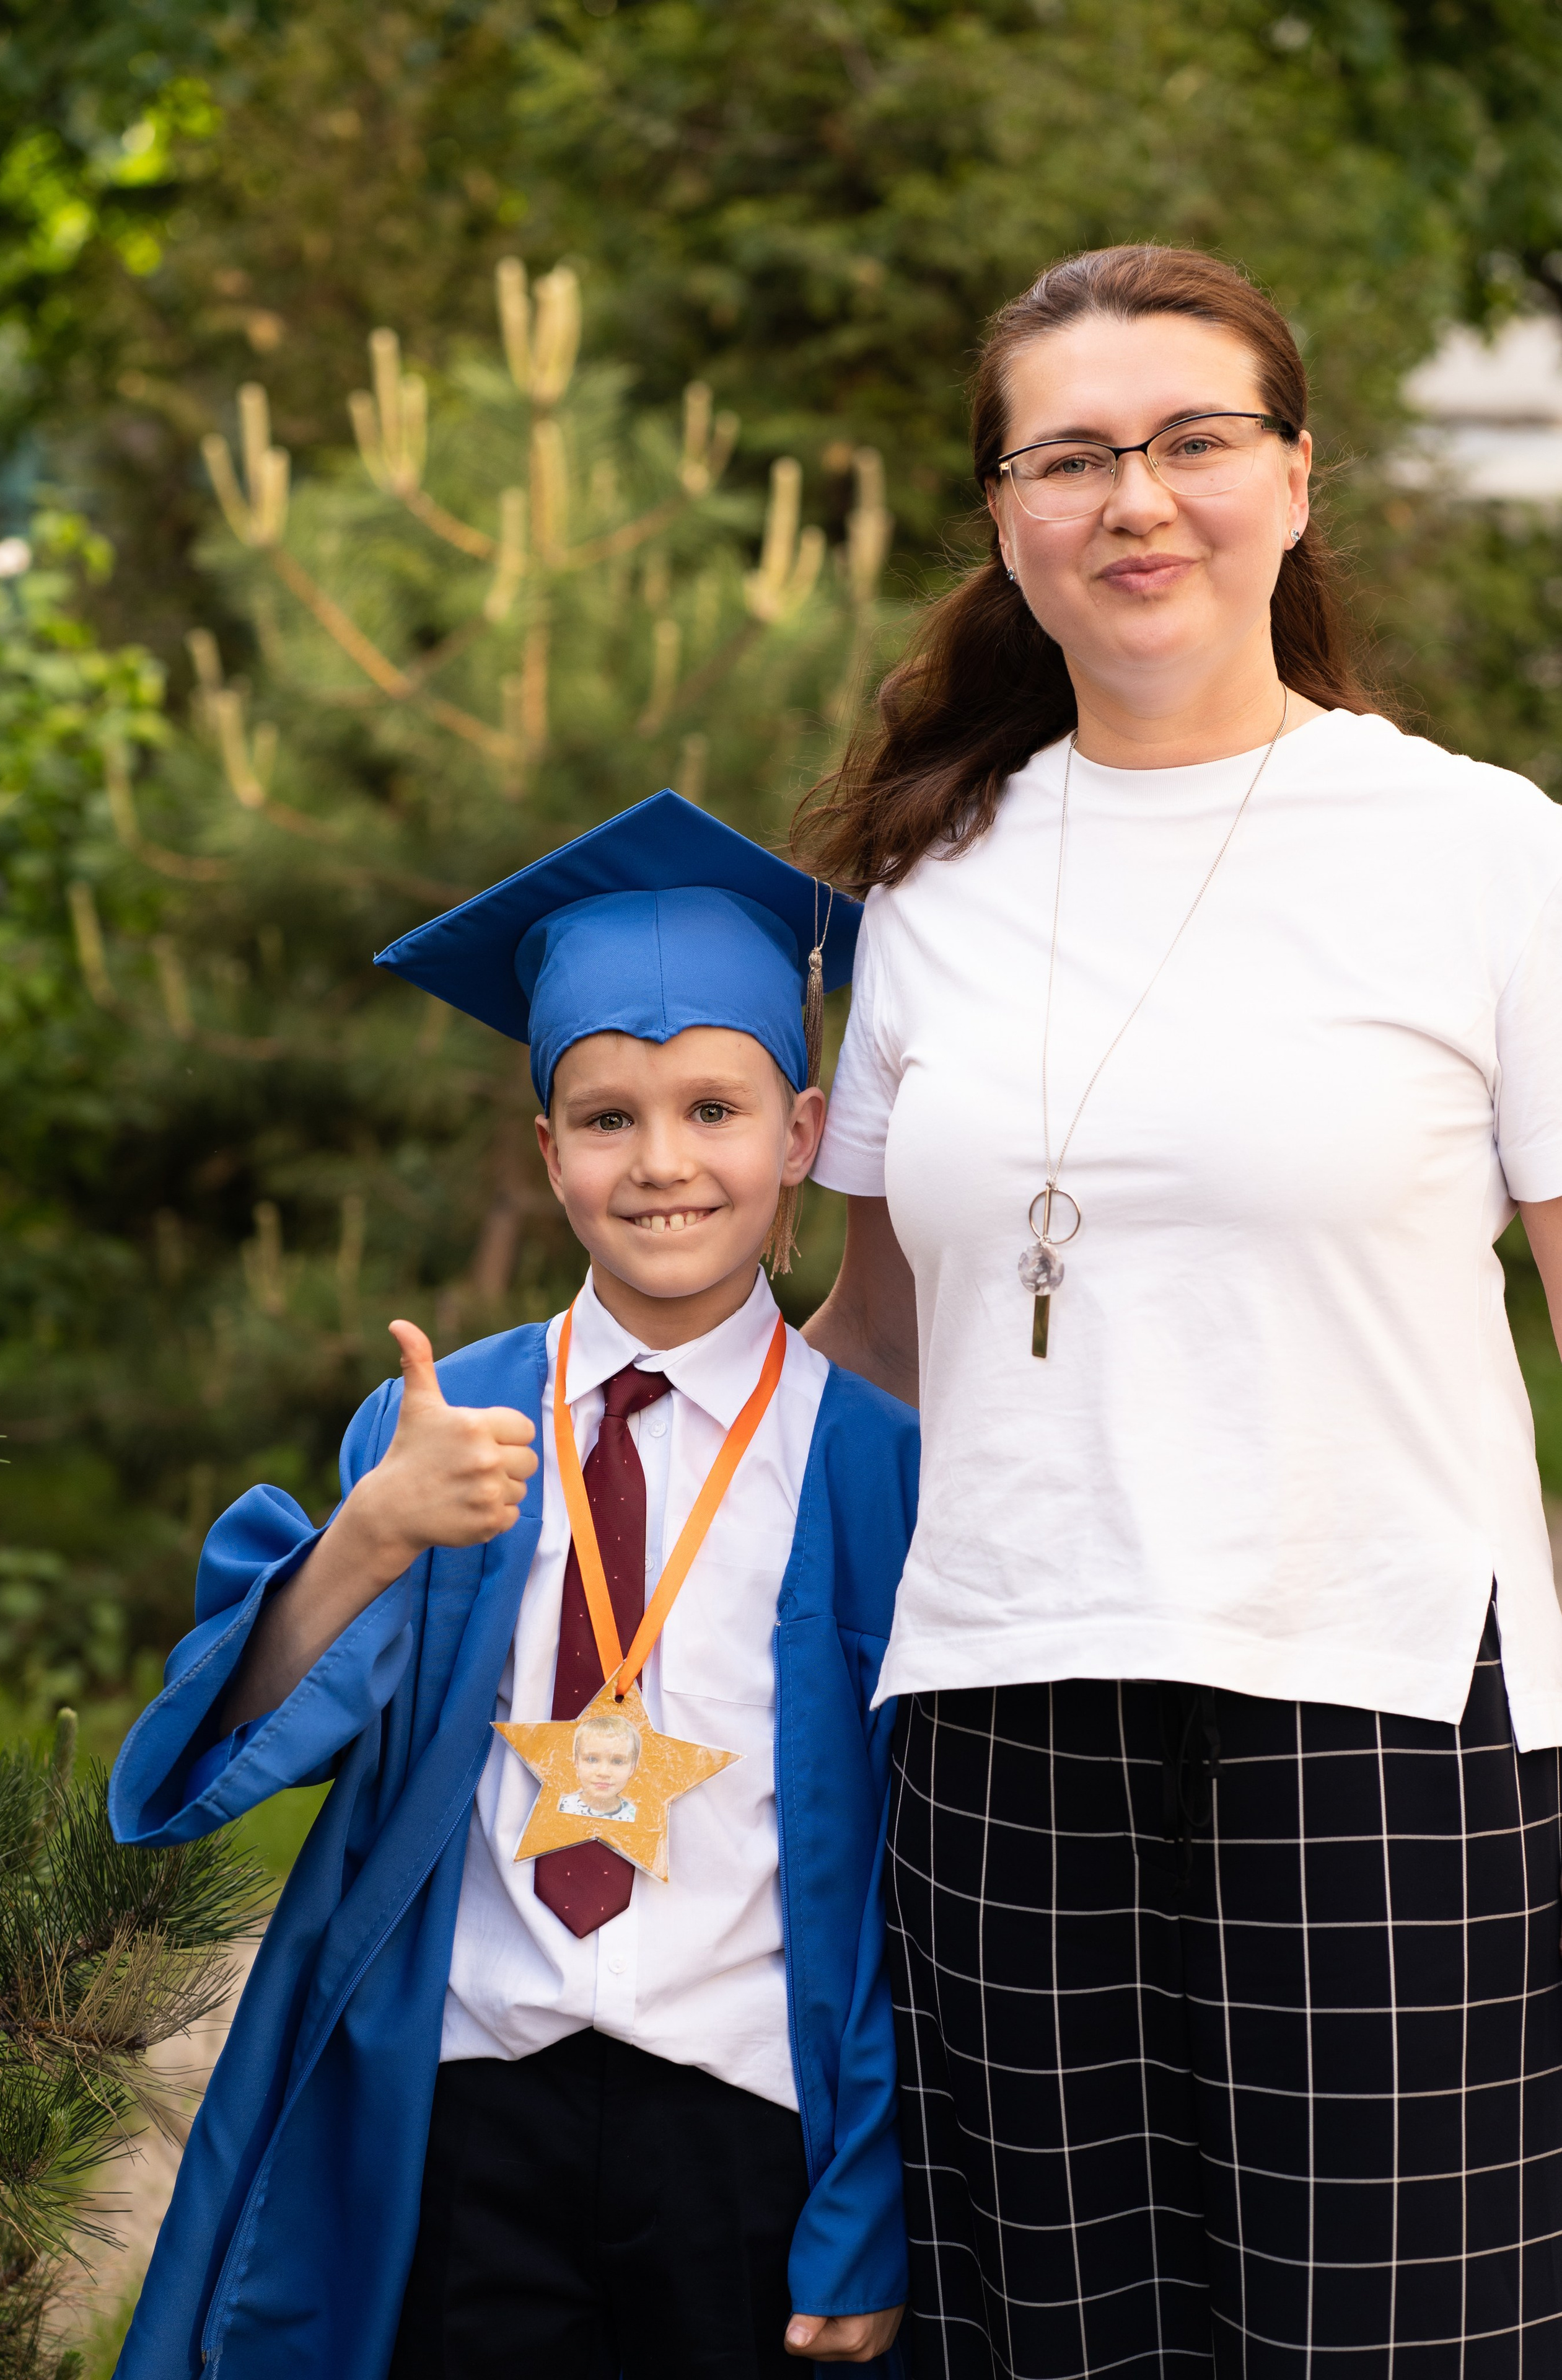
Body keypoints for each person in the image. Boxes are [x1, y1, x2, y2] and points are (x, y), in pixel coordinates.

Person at [798, 244, 1562, 2377]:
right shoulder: (922, 882)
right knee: (1048, 2340)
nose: (1137, 499)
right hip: (997, 1706)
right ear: (1005, 520)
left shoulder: (1481, 851)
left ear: (1296, 482)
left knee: (1382, 2341)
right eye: (1072, 456)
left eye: (1193, 441)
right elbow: (872, 1340)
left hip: (1382, 1698)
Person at [109, 792, 918, 2380]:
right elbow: (212, 1759)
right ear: (547, 1150)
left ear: (804, 1136)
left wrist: (868, 2195)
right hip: (471, 2109)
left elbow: (911, 1870)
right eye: (608, 1117)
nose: (663, 1161)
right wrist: (371, 1533)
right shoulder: (446, 1422)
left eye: (714, 1109)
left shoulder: (868, 1466)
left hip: (746, 2122)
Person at [559, 1712, 641, 1820]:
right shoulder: (562, 1807)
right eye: (592, 1759)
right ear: (577, 1763)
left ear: (632, 1768)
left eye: (617, 1762)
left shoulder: (635, 1817)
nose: (604, 1773)